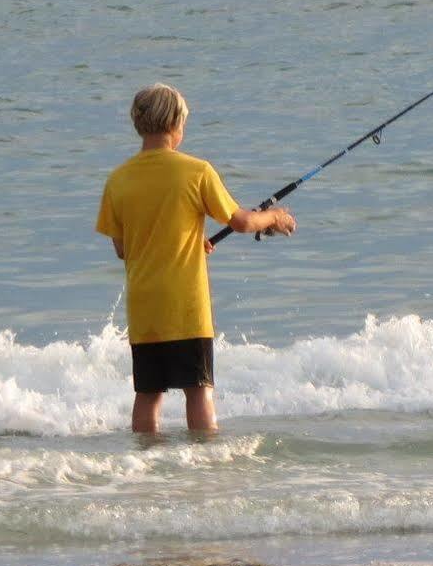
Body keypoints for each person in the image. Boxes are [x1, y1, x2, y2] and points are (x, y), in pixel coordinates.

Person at [95, 83, 295, 434]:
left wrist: (186, 241)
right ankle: (204, 467)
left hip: (144, 308)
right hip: (186, 307)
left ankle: (144, 464)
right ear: (175, 124)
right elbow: (242, 221)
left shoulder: (118, 180)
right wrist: (275, 217)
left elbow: (123, 249)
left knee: (147, 394)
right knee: (198, 390)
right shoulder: (197, 171)